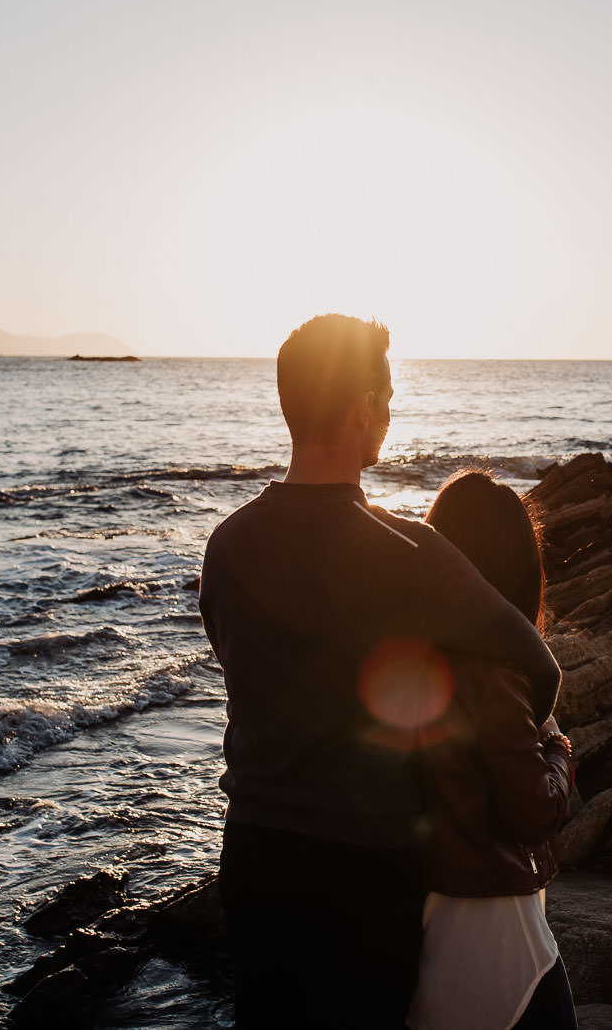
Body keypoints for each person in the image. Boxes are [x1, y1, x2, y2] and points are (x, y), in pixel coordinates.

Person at [199, 314, 563, 1028]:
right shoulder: (409, 555)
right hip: (366, 870)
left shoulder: (227, 546)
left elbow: (238, 665)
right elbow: (533, 659)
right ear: (362, 403)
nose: (390, 413)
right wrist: (540, 741)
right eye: (388, 397)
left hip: (255, 856)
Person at [409, 470, 577, 1030]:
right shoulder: (497, 674)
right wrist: (558, 748)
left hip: (422, 911)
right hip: (494, 924)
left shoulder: (404, 655)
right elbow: (532, 811)